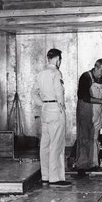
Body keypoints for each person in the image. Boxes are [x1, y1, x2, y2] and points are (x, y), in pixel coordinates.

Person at [31, 48, 71, 187]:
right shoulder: (56, 72)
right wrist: (61, 107)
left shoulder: (40, 74)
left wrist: (42, 104)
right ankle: (56, 178)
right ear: (57, 59)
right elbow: (59, 93)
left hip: (45, 110)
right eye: (60, 59)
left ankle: (46, 176)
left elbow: (34, 93)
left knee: (45, 144)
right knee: (57, 144)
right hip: (55, 109)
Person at [74, 59, 102, 176]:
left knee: (94, 138)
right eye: (101, 70)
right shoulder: (85, 77)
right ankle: (82, 165)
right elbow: (83, 96)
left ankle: (93, 164)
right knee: (84, 138)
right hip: (86, 110)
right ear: (95, 67)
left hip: (98, 111)